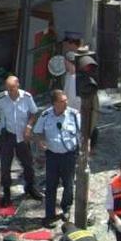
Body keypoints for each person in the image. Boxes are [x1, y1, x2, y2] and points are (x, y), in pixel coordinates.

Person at [0, 75, 43, 205]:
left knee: (28, 164)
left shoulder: (27, 97)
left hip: (22, 136)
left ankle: (30, 187)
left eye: (12, 88)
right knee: (5, 166)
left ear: (18, 86)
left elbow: (34, 113)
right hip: (7, 136)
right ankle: (6, 193)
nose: (9, 91)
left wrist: (29, 127)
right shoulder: (2, 98)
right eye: (8, 89)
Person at [31, 89, 81, 227]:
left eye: (66, 100)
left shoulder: (74, 115)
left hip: (69, 155)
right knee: (50, 185)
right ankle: (49, 214)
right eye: (62, 101)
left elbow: (83, 132)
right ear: (54, 103)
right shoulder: (46, 115)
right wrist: (40, 141)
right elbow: (36, 133)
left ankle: (66, 208)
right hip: (52, 156)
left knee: (68, 184)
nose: (66, 103)